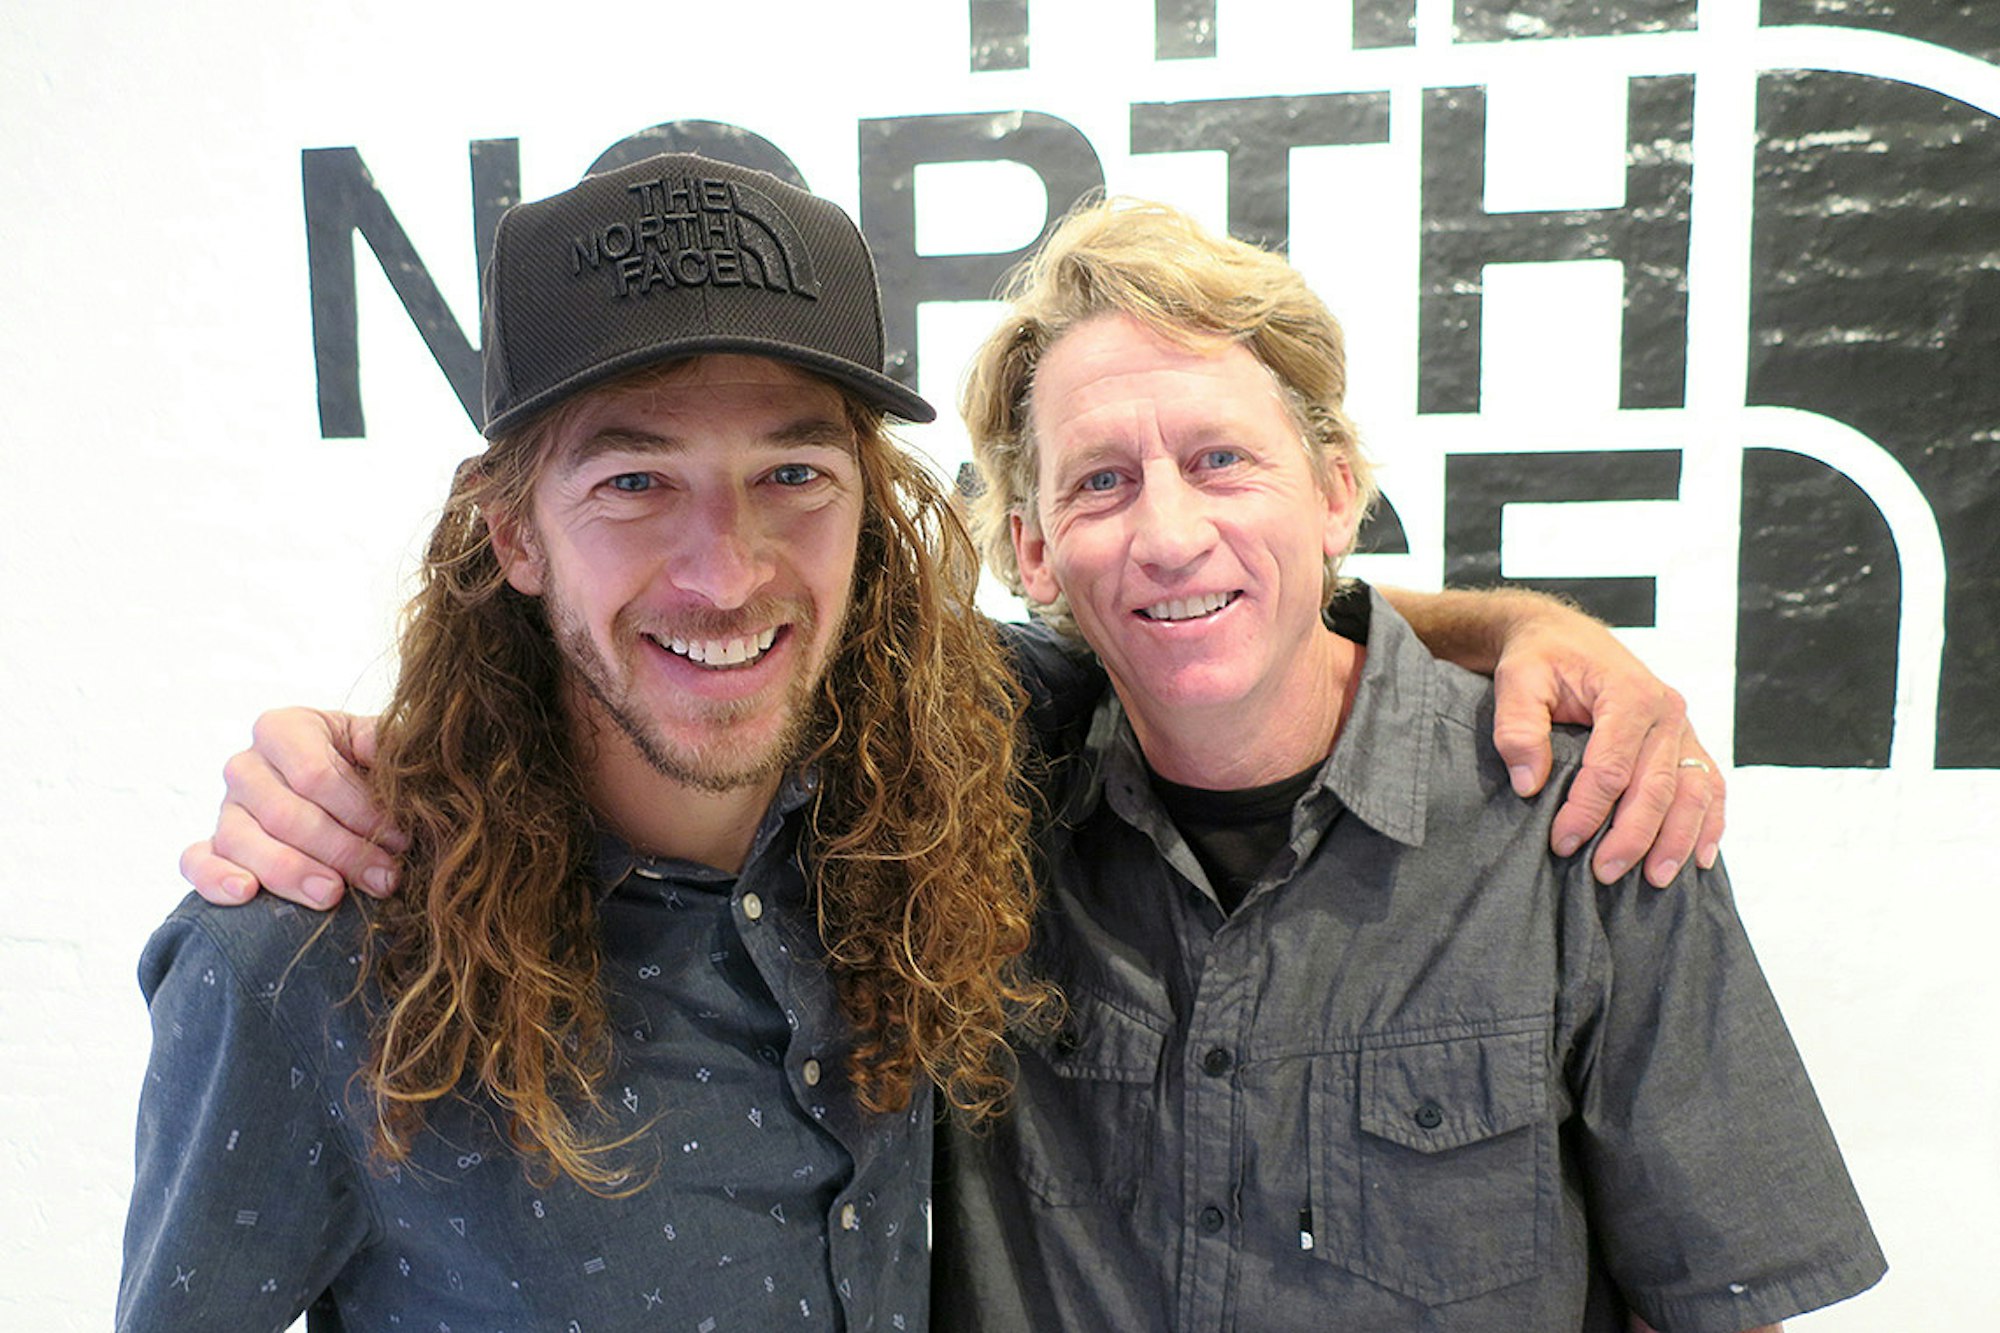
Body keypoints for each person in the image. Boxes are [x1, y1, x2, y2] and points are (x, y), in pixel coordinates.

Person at [155, 163, 1725, 1330]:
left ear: (876, 510)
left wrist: (1526, 637)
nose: (726, 570)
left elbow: (1225, 631)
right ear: (508, 532)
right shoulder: (309, 948)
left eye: (792, 475)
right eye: (634, 484)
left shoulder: (960, 754)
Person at [929, 198, 1884, 1330]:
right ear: (1032, 547)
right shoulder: (957, 793)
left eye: (1220, 459)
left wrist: (1514, 627)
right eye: (1100, 482)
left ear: (1335, 494)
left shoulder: (1580, 817)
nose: (1168, 534)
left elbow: (1718, 1305)